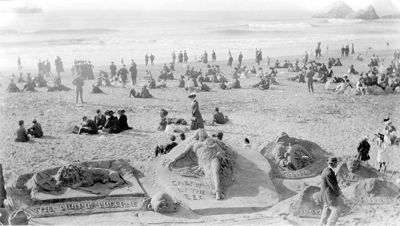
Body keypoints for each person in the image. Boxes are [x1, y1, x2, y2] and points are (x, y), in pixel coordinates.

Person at [319, 157, 342, 226]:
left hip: (324, 194)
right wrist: (339, 193)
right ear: (334, 163)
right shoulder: (330, 173)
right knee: (336, 210)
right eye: (336, 163)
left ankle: (322, 223)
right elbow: (333, 186)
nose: (337, 164)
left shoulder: (325, 170)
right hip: (329, 195)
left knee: (326, 207)